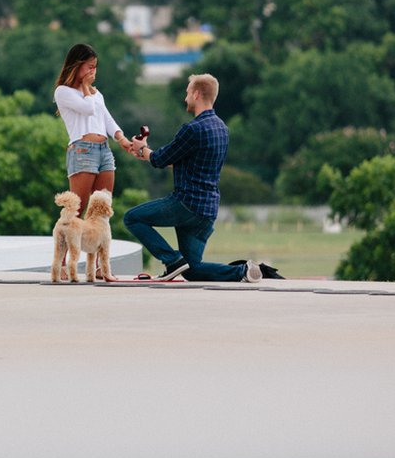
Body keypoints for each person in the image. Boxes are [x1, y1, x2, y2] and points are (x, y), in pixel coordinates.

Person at [125, 73, 267, 282]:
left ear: (197, 94)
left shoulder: (192, 129)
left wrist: (142, 149)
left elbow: (160, 159)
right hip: (208, 210)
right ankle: (243, 271)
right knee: (191, 270)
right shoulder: (222, 129)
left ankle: (171, 259)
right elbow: (184, 160)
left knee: (132, 218)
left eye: (188, 93)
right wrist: (148, 154)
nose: (185, 98)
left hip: (186, 204)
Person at [54, 43, 131, 281]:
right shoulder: (64, 92)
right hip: (82, 149)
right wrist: (87, 87)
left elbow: (105, 117)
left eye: (95, 67)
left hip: (103, 149)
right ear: (77, 66)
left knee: (101, 210)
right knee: (76, 208)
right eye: (89, 67)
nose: (93, 72)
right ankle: (65, 264)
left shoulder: (96, 94)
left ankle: (99, 266)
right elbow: (87, 110)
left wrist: (121, 138)